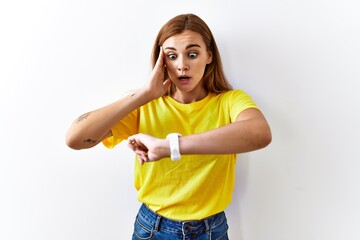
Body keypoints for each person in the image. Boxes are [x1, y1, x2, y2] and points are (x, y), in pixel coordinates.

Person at [66, 13, 271, 240]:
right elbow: (75, 138)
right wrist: (143, 94)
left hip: (211, 230)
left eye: (192, 54)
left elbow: (259, 133)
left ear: (209, 56)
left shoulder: (229, 101)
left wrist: (170, 146)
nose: (182, 65)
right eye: (172, 56)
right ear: (161, 61)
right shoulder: (144, 104)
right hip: (152, 229)